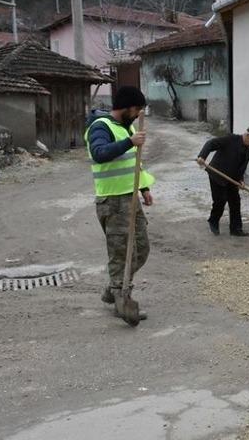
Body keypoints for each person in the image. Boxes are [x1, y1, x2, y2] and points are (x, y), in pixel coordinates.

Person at [85, 86, 155, 323]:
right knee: (121, 254)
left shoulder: (128, 128)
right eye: (136, 110)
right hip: (112, 202)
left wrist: (144, 188)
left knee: (141, 250)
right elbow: (99, 153)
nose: (137, 115)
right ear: (126, 108)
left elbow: (134, 164)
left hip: (131, 199)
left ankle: (113, 290)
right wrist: (129, 142)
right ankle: (122, 301)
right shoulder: (100, 127)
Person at [196, 127, 249, 236]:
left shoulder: (248, 152)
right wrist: (202, 156)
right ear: (247, 135)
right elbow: (211, 143)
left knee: (235, 202)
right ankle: (213, 221)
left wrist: (241, 180)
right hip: (217, 175)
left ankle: (236, 229)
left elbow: (241, 168)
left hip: (232, 180)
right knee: (220, 200)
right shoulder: (230, 139)